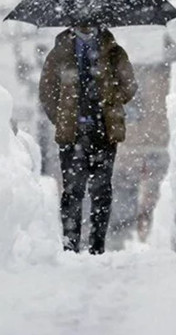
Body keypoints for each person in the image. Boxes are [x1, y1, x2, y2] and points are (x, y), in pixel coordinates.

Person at [39, 25, 137, 254]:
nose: (86, 22)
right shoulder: (59, 53)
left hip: (104, 131)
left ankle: (96, 246)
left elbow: (130, 86)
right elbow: (46, 91)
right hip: (72, 135)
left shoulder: (114, 52)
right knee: (73, 191)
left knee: (101, 190)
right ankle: (70, 244)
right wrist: (62, 117)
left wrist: (112, 99)